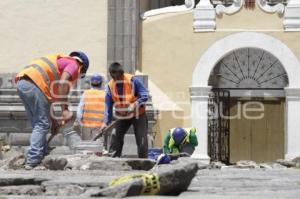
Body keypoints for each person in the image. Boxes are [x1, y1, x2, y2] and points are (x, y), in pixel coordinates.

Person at [15, 51, 89, 169]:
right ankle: (33, 160)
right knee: (42, 124)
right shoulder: (74, 64)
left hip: (22, 83)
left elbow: (48, 103)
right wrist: (65, 109)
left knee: (39, 123)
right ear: (82, 66)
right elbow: (63, 82)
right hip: (34, 83)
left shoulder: (58, 65)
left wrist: (54, 123)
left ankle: (40, 154)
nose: (76, 77)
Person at [104, 62, 149, 158]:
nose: (117, 80)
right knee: (115, 137)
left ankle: (144, 162)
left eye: (119, 78)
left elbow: (145, 94)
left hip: (138, 114)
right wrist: (106, 122)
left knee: (141, 140)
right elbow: (108, 106)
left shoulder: (132, 80)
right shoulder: (110, 86)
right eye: (114, 78)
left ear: (122, 74)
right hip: (122, 116)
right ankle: (113, 161)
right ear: (111, 75)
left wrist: (136, 103)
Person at [75, 74, 106, 140]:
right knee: (97, 148)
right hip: (99, 126)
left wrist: (80, 122)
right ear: (101, 83)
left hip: (86, 126)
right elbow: (107, 111)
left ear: (91, 83)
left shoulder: (85, 93)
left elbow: (79, 111)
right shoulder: (104, 95)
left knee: (86, 147)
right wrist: (105, 123)